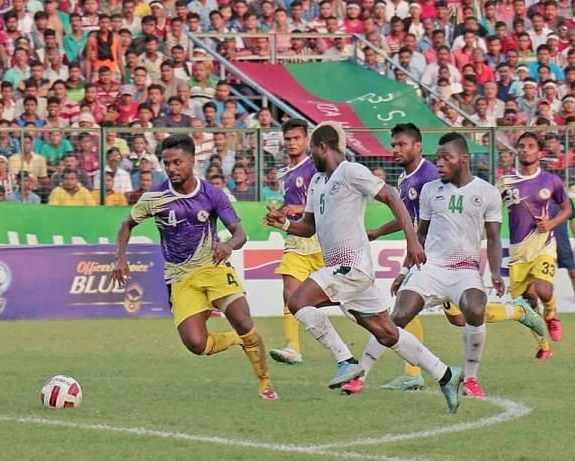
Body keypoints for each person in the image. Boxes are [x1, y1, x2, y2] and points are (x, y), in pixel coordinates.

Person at [265, 122, 463, 413]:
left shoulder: (351, 171)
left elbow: (392, 197)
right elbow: (307, 227)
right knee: (387, 332)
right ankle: (446, 374)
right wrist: (283, 223)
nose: (310, 156)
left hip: (351, 268)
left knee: (297, 300)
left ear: (323, 146)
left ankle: (346, 361)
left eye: (312, 149)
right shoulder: (318, 182)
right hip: (345, 272)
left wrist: (412, 243)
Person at [363, 124, 546, 394]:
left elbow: (415, 225)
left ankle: (414, 373)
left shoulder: (428, 176)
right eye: (393, 145)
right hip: (434, 262)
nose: (395, 150)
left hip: (455, 263)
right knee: (454, 318)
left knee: (456, 313)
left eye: (400, 144)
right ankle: (515, 311)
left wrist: (380, 233)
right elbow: (416, 227)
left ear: (417, 146)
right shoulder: (408, 179)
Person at [112, 134, 278, 401]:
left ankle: (265, 383)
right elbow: (126, 225)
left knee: (243, 320)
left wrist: (227, 245)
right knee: (196, 345)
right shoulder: (155, 197)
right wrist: (121, 258)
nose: (171, 168)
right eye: (167, 163)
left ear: (192, 161)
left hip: (213, 267)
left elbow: (240, 233)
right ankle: (237, 340)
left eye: (177, 162)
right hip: (180, 277)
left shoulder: (212, 194)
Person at [344, 132, 505, 400]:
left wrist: (497, 272)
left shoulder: (487, 193)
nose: (439, 163)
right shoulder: (431, 190)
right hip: (430, 268)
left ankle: (471, 378)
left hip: (465, 269)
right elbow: (420, 236)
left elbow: (495, 238)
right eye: (438, 158)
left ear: (463, 159)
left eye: (446, 158)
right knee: (397, 317)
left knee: (474, 310)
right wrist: (405, 270)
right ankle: (360, 375)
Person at [499, 132, 573, 359]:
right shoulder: (505, 182)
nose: (524, 149)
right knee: (527, 305)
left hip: (543, 246)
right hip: (518, 252)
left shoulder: (551, 181)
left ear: (539, 152)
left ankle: (551, 315)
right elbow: (490, 210)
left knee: (543, 289)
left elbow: (567, 209)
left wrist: (551, 223)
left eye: (530, 146)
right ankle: (543, 345)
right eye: (521, 146)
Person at [267, 119, 327, 367]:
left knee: (349, 301)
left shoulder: (316, 167)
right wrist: (278, 214)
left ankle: (379, 338)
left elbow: (326, 201)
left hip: (321, 240)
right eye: (288, 139)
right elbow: (290, 205)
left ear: (306, 140)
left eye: (297, 138)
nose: (292, 143)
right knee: (289, 293)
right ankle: (293, 347)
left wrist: (300, 208)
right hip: (295, 240)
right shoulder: (284, 173)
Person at [553, 198, 575, 310]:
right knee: (547, 277)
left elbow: (572, 222)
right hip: (548, 243)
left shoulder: (567, 200)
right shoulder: (545, 199)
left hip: (563, 243)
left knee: (574, 274)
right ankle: (550, 307)